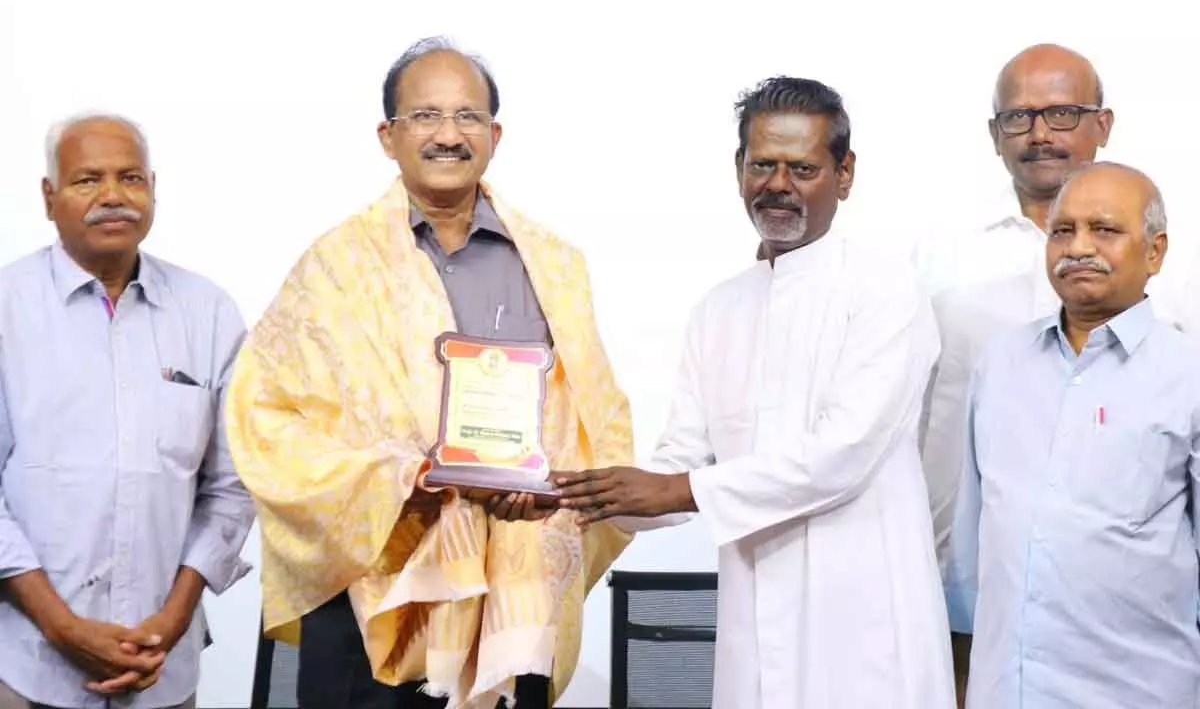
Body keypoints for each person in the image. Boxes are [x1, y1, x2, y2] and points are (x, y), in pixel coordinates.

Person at [223, 37, 634, 709]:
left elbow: (598, 422)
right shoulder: (333, 268)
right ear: (389, 136)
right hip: (373, 601)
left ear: (495, 135)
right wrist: (395, 479)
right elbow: (265, 420)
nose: (449, 135)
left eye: (468, 117)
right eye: (426, 117)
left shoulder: (556, 267)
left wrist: (547, 486)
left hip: (513, 594)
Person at [553, 76, 957, 709]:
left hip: (863, 625)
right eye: (762, 164)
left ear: (844, 175)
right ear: (738, 169)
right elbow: (677, 465)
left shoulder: (885, 290)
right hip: (754, 621)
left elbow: (840, 456)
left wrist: (675, 488)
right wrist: (576, 491)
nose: (778, 184)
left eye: (803, 168)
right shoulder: (720, 310)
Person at [0, 112, 256, 708]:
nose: (113, 196)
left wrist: (174, 614)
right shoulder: (7, 310)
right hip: (28, 668)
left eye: (131, 178)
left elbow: (232, 487)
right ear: (48, 196)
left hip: (162, 666)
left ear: (152, 189)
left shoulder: (208, 314)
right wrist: (63, 628)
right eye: (87, 180)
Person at [944, 161, 1200, 707]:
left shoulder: (1187, 378)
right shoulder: (1002, 363)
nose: (1078, 247)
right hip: (1005, 688)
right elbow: (972, 537)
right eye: (1063, 230)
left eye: (1104, 230)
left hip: (1138, 691)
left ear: (1155, 251)